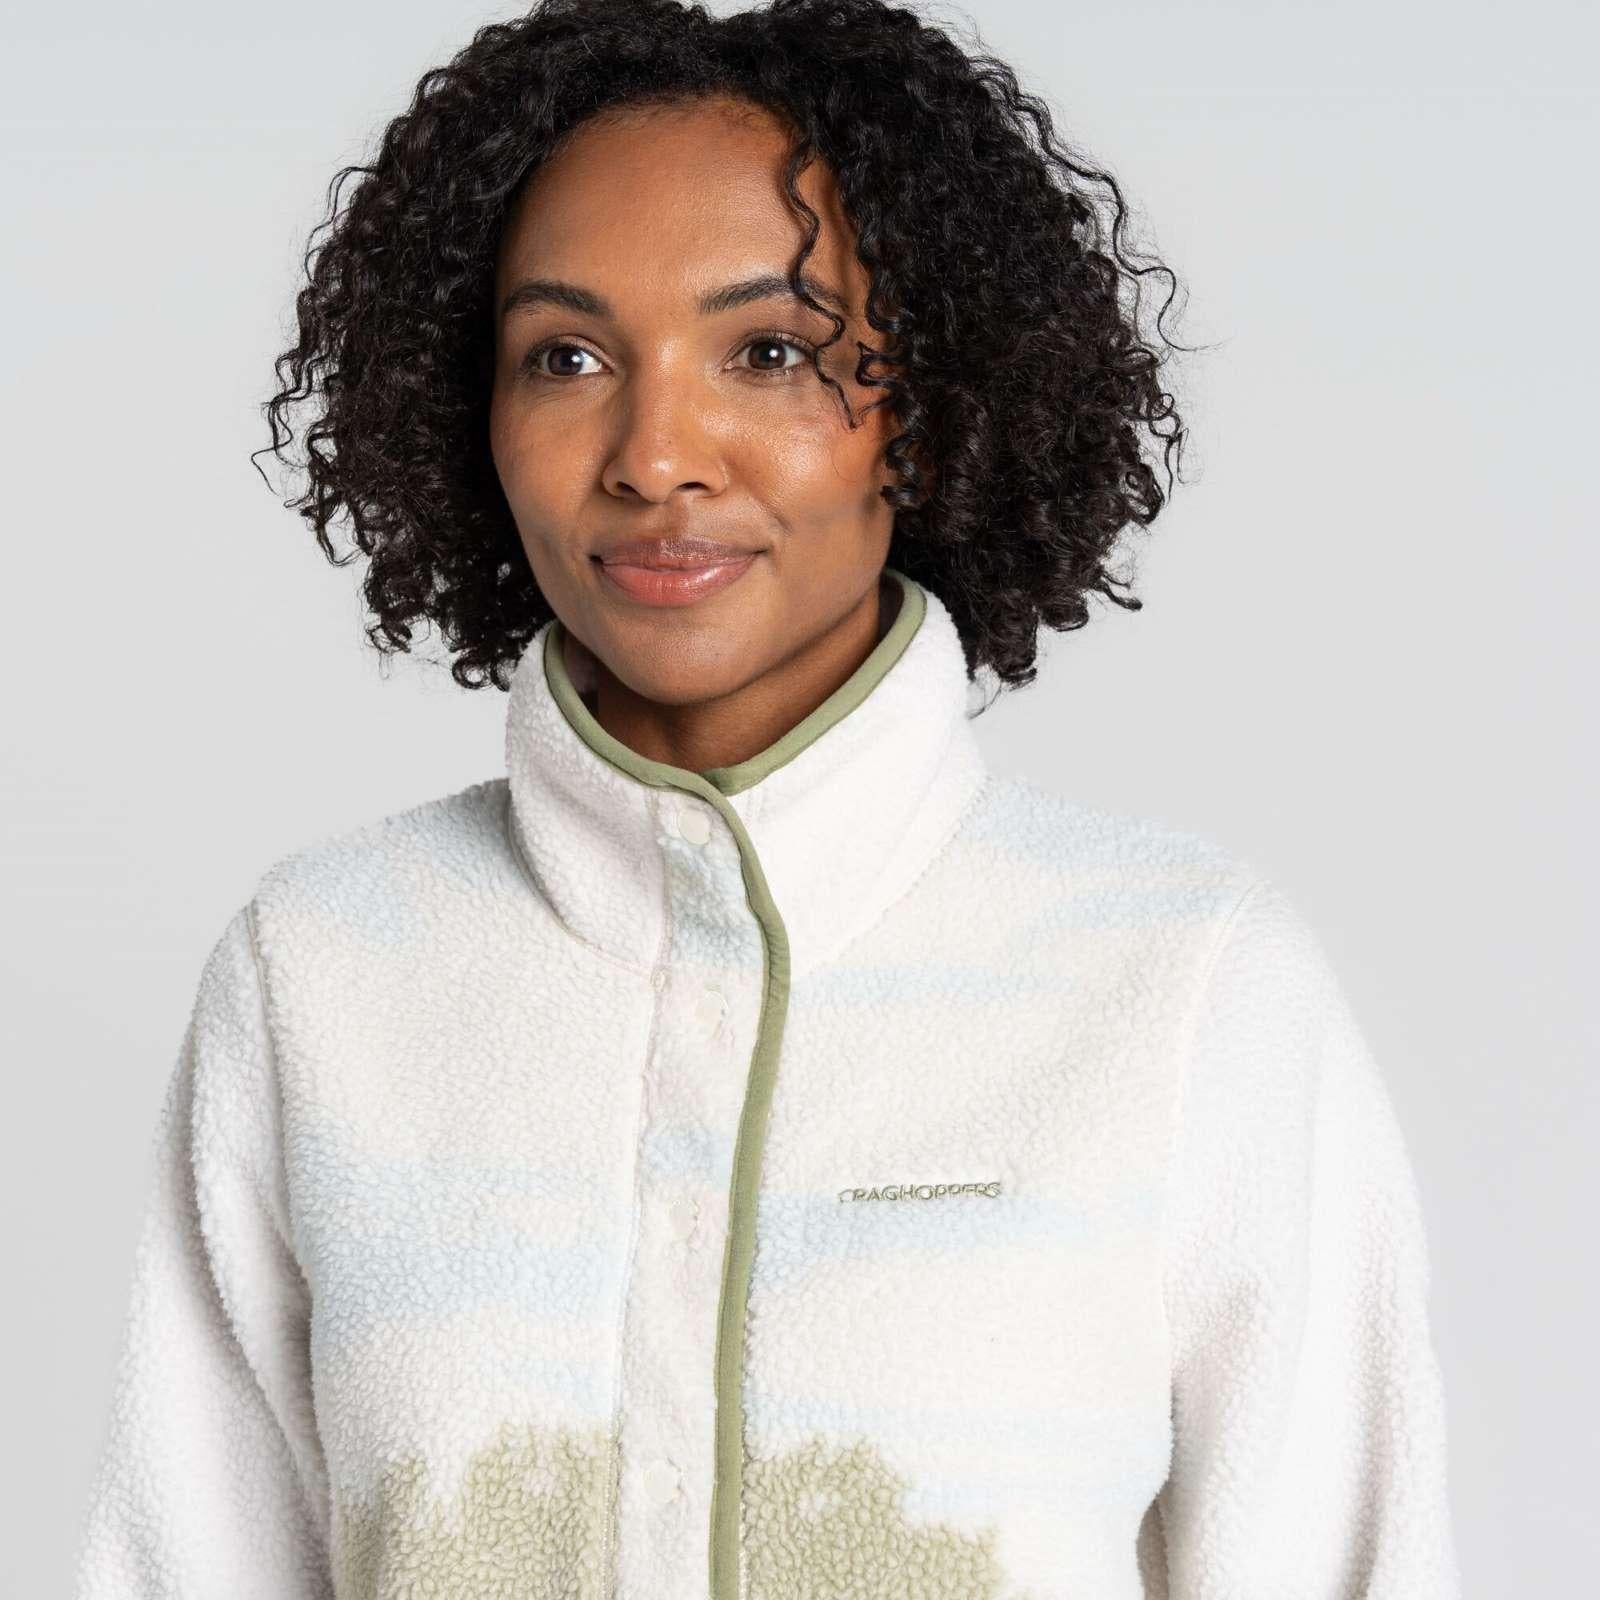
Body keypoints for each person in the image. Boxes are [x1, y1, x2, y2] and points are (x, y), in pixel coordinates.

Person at [70, 1, 1461, 1596]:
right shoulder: (317, 976)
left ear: (933, 405)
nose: (657, 454)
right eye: (567, 357)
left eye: (773, 352)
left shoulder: (1189, 988)